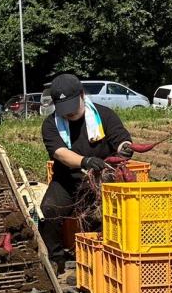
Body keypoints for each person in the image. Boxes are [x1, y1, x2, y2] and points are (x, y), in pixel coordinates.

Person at [40, 73, 133, 274]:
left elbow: (121, 139)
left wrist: (125, 147)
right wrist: (85, 161)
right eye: (64, 110)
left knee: (97, 218)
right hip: (67, 180)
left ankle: (101, 262)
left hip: (102, 181)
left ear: (82, 95)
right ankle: (56, 258)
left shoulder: (104, 115)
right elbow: (59, 153)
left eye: (73, 107)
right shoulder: (50, 124)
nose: (69, 114)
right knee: (48, 211)